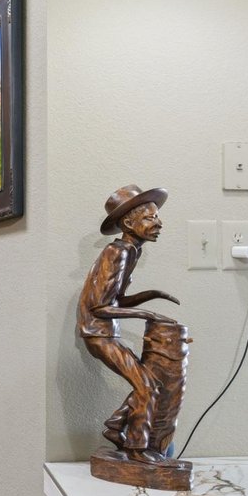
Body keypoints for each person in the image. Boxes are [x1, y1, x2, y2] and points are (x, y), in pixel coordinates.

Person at [77, 185, 181, 462]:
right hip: (98, 333)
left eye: (157, 217)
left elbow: (117, 299)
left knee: (149, 383)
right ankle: (136, 448)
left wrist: (153, 294)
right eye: (150, 218)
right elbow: (99, 307)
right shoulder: (117, 252)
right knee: (148, 386)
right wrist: (148, 315)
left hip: (105, 332)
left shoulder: (131, 251)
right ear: (128, 223)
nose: (159, 223)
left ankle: (115, 426)